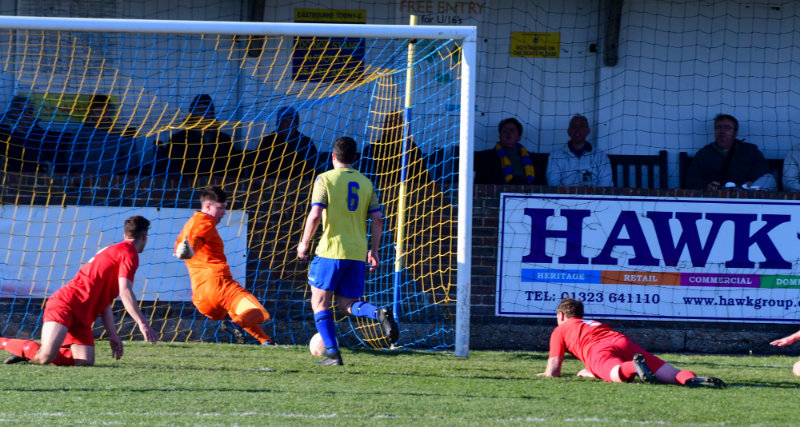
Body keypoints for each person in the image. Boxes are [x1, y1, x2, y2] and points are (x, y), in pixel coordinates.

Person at [0, 215, 158, 366]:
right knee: (45, 357)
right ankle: (8, 344)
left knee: (84, 362)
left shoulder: (114, 249)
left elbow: (105, 303)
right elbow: (125, 292)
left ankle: (28, 351)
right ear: (144, 237)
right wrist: (143, 323)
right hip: (66, 304)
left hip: (82, 316)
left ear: (125, 235)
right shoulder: (129, 253)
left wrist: (113, 335)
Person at [297, 136, 399, 366]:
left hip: (330, 251)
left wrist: (304, 243)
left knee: (319, 303)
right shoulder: (366, 183)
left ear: (333, 156)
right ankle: (378, 313)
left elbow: (315, 214)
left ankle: (333, 355)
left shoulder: (325, 179)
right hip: (356, 254)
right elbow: (378, 220)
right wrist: (374, 251)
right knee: (347, 304)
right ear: (355, 158)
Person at [538, 298, 725, 388]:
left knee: (616, 373)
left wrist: (545, 374)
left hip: (597, 350)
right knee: (672, 374)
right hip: (620, 340)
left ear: (560, 315)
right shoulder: (591, 323)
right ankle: (691, 379)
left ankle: (634, 367)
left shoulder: (560, 329)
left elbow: (553, 371)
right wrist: (591, 371)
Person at [175, 186, 274, 346]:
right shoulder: (204, 221)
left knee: (238, 311)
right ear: (208, 206)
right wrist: (190, 249)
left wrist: (187, 250)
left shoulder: (189, 225)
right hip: (218, 284)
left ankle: (265, 341)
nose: (224, 213)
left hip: (201, 297)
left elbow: (186, 246)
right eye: (221, 208)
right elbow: (196, 240)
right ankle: (235, 325)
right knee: (260, 313)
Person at [154, 94, 240, 180]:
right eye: (200, 110)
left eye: (208, 110)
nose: (204, 114)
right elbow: (173, 169)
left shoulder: (224, 140)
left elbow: (234, 168)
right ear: (192, 114)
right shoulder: (178, 140)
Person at [685, 114, 776, 191]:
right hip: (717, 194)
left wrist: (750, 181)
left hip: (747, 193)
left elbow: (764, 168)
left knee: (769, 178)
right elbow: (692, 179)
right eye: (718, 128)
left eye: (727, 128)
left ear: (735, 132)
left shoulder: (749, 150)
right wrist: (707, 185)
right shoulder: (704, 154)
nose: (722, 131)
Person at [68, 94, 139, 175]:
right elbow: (70, 158)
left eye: (105, 111)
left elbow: (132, 160)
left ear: (110, 112)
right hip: (85, 175)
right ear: (91, 112)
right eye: (98, 112)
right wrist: (87, 167)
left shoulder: (119, 134)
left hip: (112, 176)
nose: (102, 115)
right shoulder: (80, 133)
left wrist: (114, 168)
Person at [0, 95, 67, 173]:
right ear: (13, 112)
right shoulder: (3, 132)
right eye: (21, 110)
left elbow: (52, 158)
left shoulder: (40, 134)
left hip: (37, 176)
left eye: (30, 111)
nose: (26, 115)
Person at [249, 106, 319, 179]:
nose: (289, 125)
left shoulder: (306, 143)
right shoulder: (267, 142)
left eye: (293, 121)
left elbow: (315, 170)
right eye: (285, 121)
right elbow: (257, 170)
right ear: (278, 123)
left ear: (297, 124)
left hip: (298, 184)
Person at [546, 115, 613, 187]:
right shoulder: (555, 156)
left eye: (582, 127)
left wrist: (592, 194)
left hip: (593, 194)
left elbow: (606, 182)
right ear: (568, 131)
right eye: (574, 127)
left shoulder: (600, 156)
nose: (577, 130)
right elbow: (553, 183)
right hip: (565, 194)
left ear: (588, 131)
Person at [474, 117, 539, 185]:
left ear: (519, 137)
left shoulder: (532, 159)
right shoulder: (486, 157)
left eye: (512, 130)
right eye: (505, 131)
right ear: (500, 137)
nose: (508, 133)